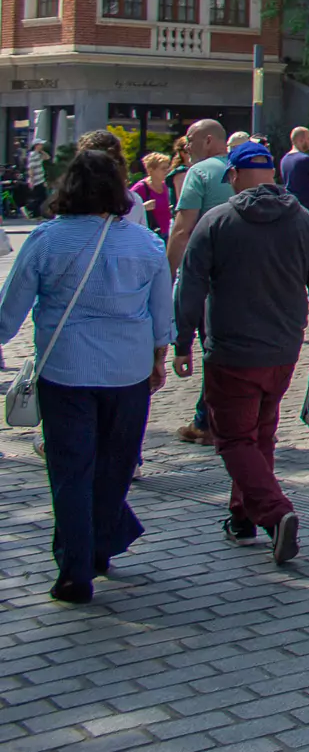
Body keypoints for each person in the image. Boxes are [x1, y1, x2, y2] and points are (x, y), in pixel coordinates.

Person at [0, 149, 172, 603]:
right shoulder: (145, 244)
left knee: (70, 471)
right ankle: (98, 548)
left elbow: (10, 310)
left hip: (66, 370)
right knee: (115, 468)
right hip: (128, 372)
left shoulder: (46, 240)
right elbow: (161, 314)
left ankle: (75, 569)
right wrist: (159, 358)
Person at [173, 141, 309, 566]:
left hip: (231, 350)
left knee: (234, 438)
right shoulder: (305, 221)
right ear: (273, 174)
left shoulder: (217, 220)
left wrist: (181, 341)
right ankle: (243, 516)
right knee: (260, 435)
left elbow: (190, 286)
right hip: (282, 349)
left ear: (233, 176)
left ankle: (274, 512)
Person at [165, 119, 233, 445]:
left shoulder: (199, 172)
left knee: (211, 347)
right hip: (246, 273)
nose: (186, 146)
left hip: (209, 274)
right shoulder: (242, 170)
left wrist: (167, 273)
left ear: (207, 140)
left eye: (190, 140)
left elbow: (182, 230)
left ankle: (208, 423)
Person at [130, 152, 175, 238]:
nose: (167, 171)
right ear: (150, 170)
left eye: (168, 167)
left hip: (170, 233)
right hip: (151, 235)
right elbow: (128, 209)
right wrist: (143, 207)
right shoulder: (141, 188)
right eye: (163, 168)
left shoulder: (167, 185)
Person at [26, 139, 52, 216]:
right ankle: (29, 208)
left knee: (42, 197)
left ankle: (36, 214)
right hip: (36, 180)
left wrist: (42, 151)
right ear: (36, 145)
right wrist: (31, 179)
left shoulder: (39, 154)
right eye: (40, 144)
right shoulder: (32, 154)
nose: (42, 146)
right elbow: (30, 168)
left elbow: (47, 157)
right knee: (39, 197)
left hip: (41, 179)